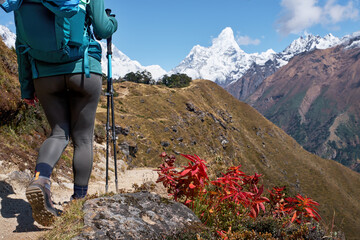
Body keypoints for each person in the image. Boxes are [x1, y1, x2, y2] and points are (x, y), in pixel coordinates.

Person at [12, 0, 118, 226]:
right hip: (83, 69)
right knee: (83, 139)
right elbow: (101, 28)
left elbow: (21, 43)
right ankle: (78, 200)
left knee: (58, 134)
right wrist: (113, 23)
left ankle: (41, 180)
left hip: (44, 74)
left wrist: (27, 88)